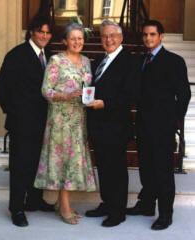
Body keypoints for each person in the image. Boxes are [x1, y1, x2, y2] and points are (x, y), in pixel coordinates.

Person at [126, 20, 191, 230]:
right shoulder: (140, 61)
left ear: (161, 36)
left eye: (152, 34)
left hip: (163, 127)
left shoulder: (174, 61)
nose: (148, 38)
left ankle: (165, 214)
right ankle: (146, 205)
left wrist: (174, 121)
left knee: (163, 171)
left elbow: (184, 95)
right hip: (144, 125)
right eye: (145, 35)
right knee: (146, 168)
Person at [0, 15, 55, 227]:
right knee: (20, 167)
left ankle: (35, 200)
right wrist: (14, 112)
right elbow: (1, 86)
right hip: (22, 123)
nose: (45, 36)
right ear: (32, 32)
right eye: (41, 32)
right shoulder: (17, 54)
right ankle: (17, 209)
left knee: (39, 164)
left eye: (48, 33)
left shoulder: (49, 55)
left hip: (43, 122)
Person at [34, 23, 96, 225]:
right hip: (60, 121)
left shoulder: (86, 62)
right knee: (65, 164)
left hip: (79, 121)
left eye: (80, 38)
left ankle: (62, 204)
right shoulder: (56, 61)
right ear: (65, 41)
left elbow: (88, 88)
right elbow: (46, 90)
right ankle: (65, 207)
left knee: (73, 163)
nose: (77, 42)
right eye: (73, 38)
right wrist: (66, 95)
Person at [85, 20, 137, 227]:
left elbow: (131, 94)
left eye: (112, 36)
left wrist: (105, 103)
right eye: (105, 36)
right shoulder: (98, 61)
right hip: (98, 125)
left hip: (116, 125)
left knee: (116, 169)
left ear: (121, 37)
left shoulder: (130, 61)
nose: (108, 40)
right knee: (104, 168)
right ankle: (107, 203)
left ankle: (118, 211)